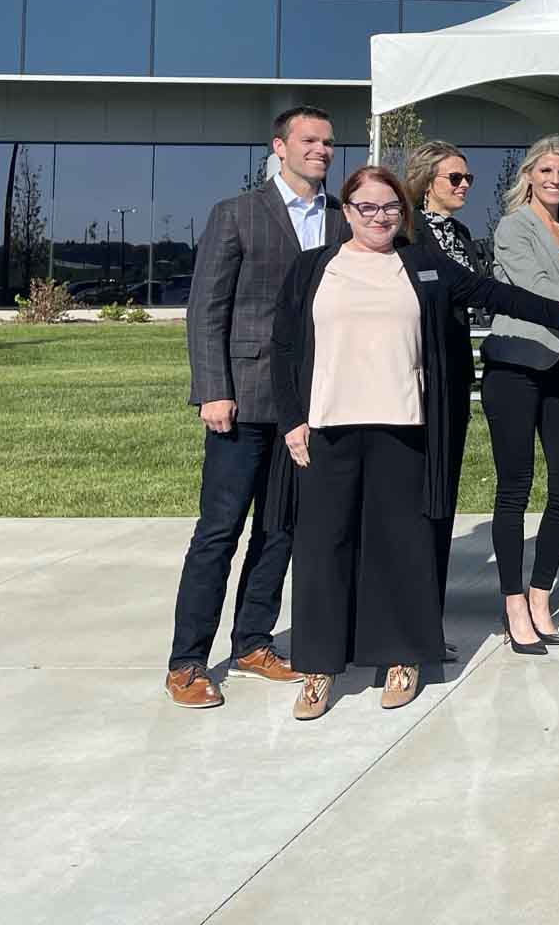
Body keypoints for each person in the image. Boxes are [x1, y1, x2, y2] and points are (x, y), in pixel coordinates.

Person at [271, 166, 559, 720]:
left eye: (389, 208)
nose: (379, 217)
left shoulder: (423, 265)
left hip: (404, 427)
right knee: (322, 549)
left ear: (401, 214)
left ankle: (403, 658)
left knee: (402, 547)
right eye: (367, 208)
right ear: (347, 211)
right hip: (328, 427)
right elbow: (284, 347)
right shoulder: (314, 269)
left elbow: (496, 293)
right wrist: (292, 420)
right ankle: (318, 668)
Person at [165, 105, 348, 709]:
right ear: (280, 147)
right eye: (309, 140)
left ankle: (252, 644)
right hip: (241, 401)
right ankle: (187, 661)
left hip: (308, 404)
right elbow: (207, 309)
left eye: (327, 142)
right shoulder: (237, 214)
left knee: (279, 531)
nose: (321, 149)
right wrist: (212, 389)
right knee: (218, 531)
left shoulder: (340, 220)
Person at [481, 136, 559, 654]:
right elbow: (535, 289)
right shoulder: (514, 228)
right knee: (515, 488)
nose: (556, 179)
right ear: (529, 175)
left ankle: (540, 595)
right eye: (547, 170)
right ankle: (512, 605)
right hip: (516, 366)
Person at [404, 140, 477, 627]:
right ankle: (408, 605)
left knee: (444, 489)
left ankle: (431, 604)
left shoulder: (463, 233)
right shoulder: (406, 231)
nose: (465, 184)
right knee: (413, 491)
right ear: (427, 181)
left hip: (454, 372)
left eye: (467, 177)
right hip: (415, 372)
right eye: (454, 178)